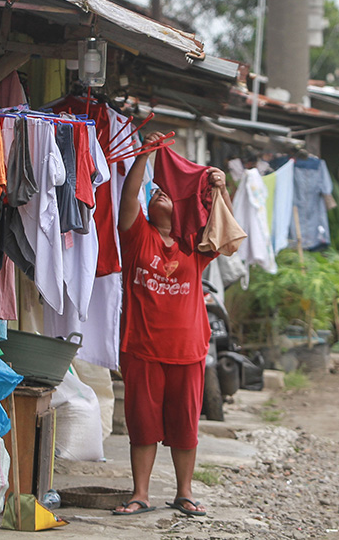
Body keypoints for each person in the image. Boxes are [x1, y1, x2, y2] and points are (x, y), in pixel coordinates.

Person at [112, 130, 231, 518]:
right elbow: (128, 197)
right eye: (154, 193)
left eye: (166, 192)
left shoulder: (193, 245)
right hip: (142, 350)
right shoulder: (136, 237)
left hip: (189, 351)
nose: (158, 194)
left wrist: (219, 188)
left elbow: (225, 230)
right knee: (143, 425)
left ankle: (184, 493)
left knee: (185, 426)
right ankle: (140, 494)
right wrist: (144, 156)